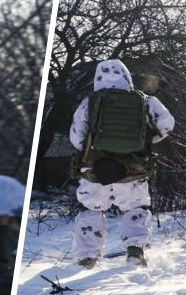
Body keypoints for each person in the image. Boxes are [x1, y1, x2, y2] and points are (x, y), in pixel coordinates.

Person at [68, 60, 174, 268]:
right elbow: (167, 124)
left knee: (92, 209)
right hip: (133, 168)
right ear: (127, 77)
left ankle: (86, 257)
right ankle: (135, 251)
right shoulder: (146, 101)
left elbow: (77, 138)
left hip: (95, 169)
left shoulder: (89, 102)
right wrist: (145, 141)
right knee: (135, 207)